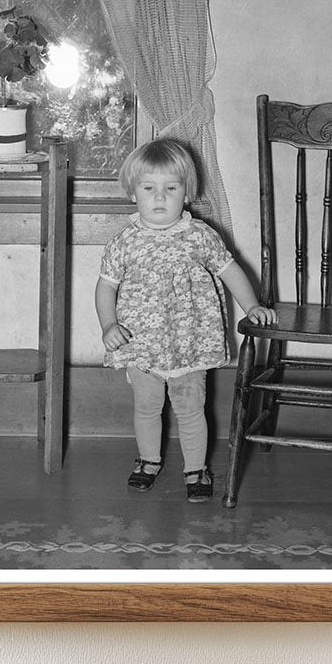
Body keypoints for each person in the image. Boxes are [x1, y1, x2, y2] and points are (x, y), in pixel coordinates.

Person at [95, 138, 277, 503]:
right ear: (133, 194)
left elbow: (231, 271)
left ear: (187, 193)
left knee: (191, 407)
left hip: (190, 341)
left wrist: (252, 305)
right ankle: (148, 460)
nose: (159, 197)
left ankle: (196, 468)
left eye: (171, 188)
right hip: (141, 343)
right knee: (147, 406)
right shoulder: (124, 242)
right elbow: (105, 288)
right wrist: (108, 325)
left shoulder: (200, 236)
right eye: (149, 188)